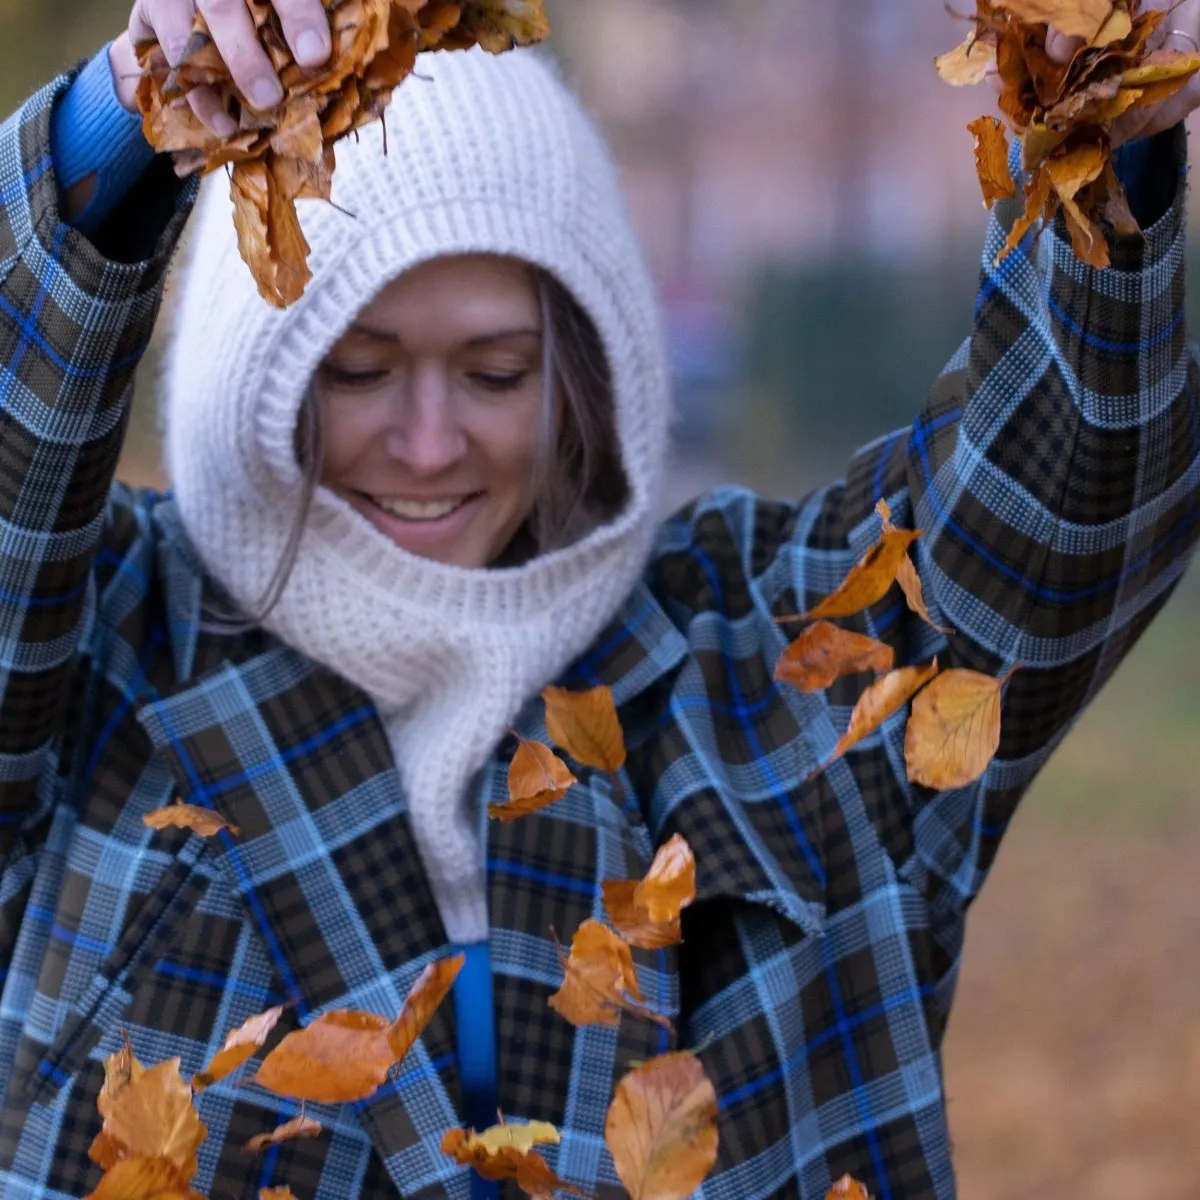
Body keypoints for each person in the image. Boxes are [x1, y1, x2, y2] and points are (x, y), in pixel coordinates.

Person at [0, 2, 1195, 1197]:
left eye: (495, 371)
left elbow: (1057, 501)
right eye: (358, 372)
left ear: (581, 367)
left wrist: (1102, 112)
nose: (428, 443)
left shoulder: (766, 659)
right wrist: (131, 110)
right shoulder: (107, 644)